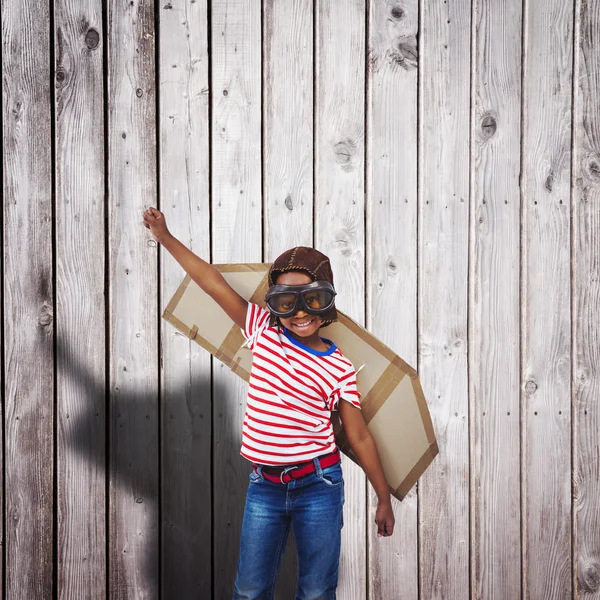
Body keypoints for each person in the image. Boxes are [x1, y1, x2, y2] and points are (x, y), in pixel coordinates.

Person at [143, 207, 395, 600]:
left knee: (315, 590)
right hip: (265, 485)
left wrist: (382, 497)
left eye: (311, 299)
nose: (298, 312)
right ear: (273, 304)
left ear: (326, 300)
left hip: (319, 483)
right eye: (286, 301)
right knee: (249, 590)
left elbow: (359, 437)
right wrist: (166, 237)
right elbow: (212, 284)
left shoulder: (342, 368)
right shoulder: (262, 331)